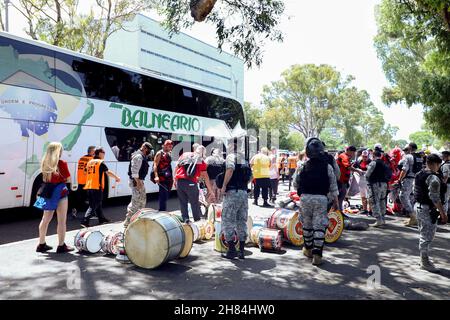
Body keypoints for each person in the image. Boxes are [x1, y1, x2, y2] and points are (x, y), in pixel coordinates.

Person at [296, 137, 339, 266]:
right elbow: (334, 184)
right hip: (321, 199)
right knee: (319, 226)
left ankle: (307, 250)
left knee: (307, 225)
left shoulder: (302, 166)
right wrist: (336, 201)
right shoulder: (327, 167)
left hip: (305, 199)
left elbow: (295, 183)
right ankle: (317, 255)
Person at [35, 142, 74, 253]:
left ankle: (41, 244)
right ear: (58, 151)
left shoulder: (44, 163)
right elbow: (67, 179)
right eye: (61, 150)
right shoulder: (62, 163)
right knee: (61, 221)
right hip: (60, 192)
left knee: (45, 219)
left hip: (46, 192)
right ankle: (61, 246)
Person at [414, 154, 448, 272]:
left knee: (423, 234)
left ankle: (423, 259)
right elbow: (434, 197)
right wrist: (443, 213)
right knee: (427, 236)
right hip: (427, 209)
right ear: (435, 164)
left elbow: (416, 191)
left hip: (419, 207)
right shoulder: (433, 178)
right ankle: (425, 261)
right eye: (439, 165)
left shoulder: (419, 174)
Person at [219, 139, 253, 259]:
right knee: (241, 221)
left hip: (232, 193)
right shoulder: (244, 159)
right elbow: (250, 177)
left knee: (228, 220)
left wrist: (223, 186)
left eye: (228, 144)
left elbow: (230, 169)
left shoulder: (231, 157)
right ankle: (241, 251)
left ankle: (232, 250)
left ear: (232, 145)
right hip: (243, 193)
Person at [81, 147, 121, 227]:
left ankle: (101, 219)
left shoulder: (90, 162)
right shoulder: (100, 162)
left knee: (98, 203)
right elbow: (107, 172)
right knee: (94, 205)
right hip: (96, 186)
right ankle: (85, 221)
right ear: (99, 153)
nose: (104, 154)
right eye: (104, 152)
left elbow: (85, 172)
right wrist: (116, 177)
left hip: (89, 186)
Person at [175, 145, 215, 223]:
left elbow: (177, 168)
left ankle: (185, 220)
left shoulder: (184, 155)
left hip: (180, 182)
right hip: (191, 183)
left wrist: (175, 180)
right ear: (202, 153)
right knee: (195, 203)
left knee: (183, 202)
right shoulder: (200, 161)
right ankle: (197, 221)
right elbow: (205, 176)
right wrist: (210, 190)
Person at [124, 142, 153, 228]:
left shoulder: (142, 156)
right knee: (136, 202)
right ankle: (128, 222)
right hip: (136, 181)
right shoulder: (138, 156)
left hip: (138, 181)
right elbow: (134, 171)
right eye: (147, 149)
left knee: (141, 200)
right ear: (144, 147)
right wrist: (138, 182)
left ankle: (137, 219)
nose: (148, 151)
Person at [365, 150, 391, 227]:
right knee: (382, 201)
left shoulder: (373, 163)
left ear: (373, 155)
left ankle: (378, 219)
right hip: (384, 185)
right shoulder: (384, 163)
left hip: (375, 184)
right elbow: (389, 174)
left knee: (374, 201)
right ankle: (383, 219)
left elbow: (367, 175)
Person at [396, 143, 419, 227]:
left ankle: (413, 217)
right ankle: (413, 217)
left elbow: (404, 169)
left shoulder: (408, 156)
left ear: (410, 148)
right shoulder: (419, 156)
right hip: (416, 179)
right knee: (411, 198)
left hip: (408, 179)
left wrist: (399, 179)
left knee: (403, 197)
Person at [336, 146, 363, 211]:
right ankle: (337, 213)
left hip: (344, 180)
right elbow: (348, 167)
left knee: (342, 197)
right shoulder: (344, 156)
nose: (354, 154)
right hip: (340, 180)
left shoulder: (347, 156)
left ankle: (340, 212)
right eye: (353, 153)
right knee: (339, 197)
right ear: (349, 151)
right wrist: (357, 170)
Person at [71, 146, 95, 216]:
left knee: (80, 197)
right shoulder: (92, 159)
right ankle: (90, 214)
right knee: (90, 198)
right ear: (92, 151)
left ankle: (75, 209)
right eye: (94, 151)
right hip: (87, 181)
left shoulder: (81, 158)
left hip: (80, 180)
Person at [153, 140, 174, 212]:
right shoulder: (159, 153)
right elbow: (155, 165)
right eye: (169, 146)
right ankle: (162, 211)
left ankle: (163, 210)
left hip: (168, 177)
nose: (170, 148)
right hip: (162, 177)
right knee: (163, 195)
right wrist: (156, 176)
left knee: (167, 195)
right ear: (165, 146)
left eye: (171, 146)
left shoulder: (169, 153)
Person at [354, 150, 371, 215]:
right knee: (362, 195)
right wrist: (357, 170)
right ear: (361, 156)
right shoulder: (358, 161)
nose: (364, 158)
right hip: (361, 180)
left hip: (369, 180)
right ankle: (365, 209)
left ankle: (371, 210)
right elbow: (352, 167)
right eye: (363, 156)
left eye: (366, 156)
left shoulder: (371, 162)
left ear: (368, 156)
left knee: (369, 195)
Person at [440, 151, 450, 217]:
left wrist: (443, 185)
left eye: (443, 156)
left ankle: (443, 216)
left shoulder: (446, 165)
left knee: (444, 200)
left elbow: (445, 176)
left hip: (447, 184)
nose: (442, 157)